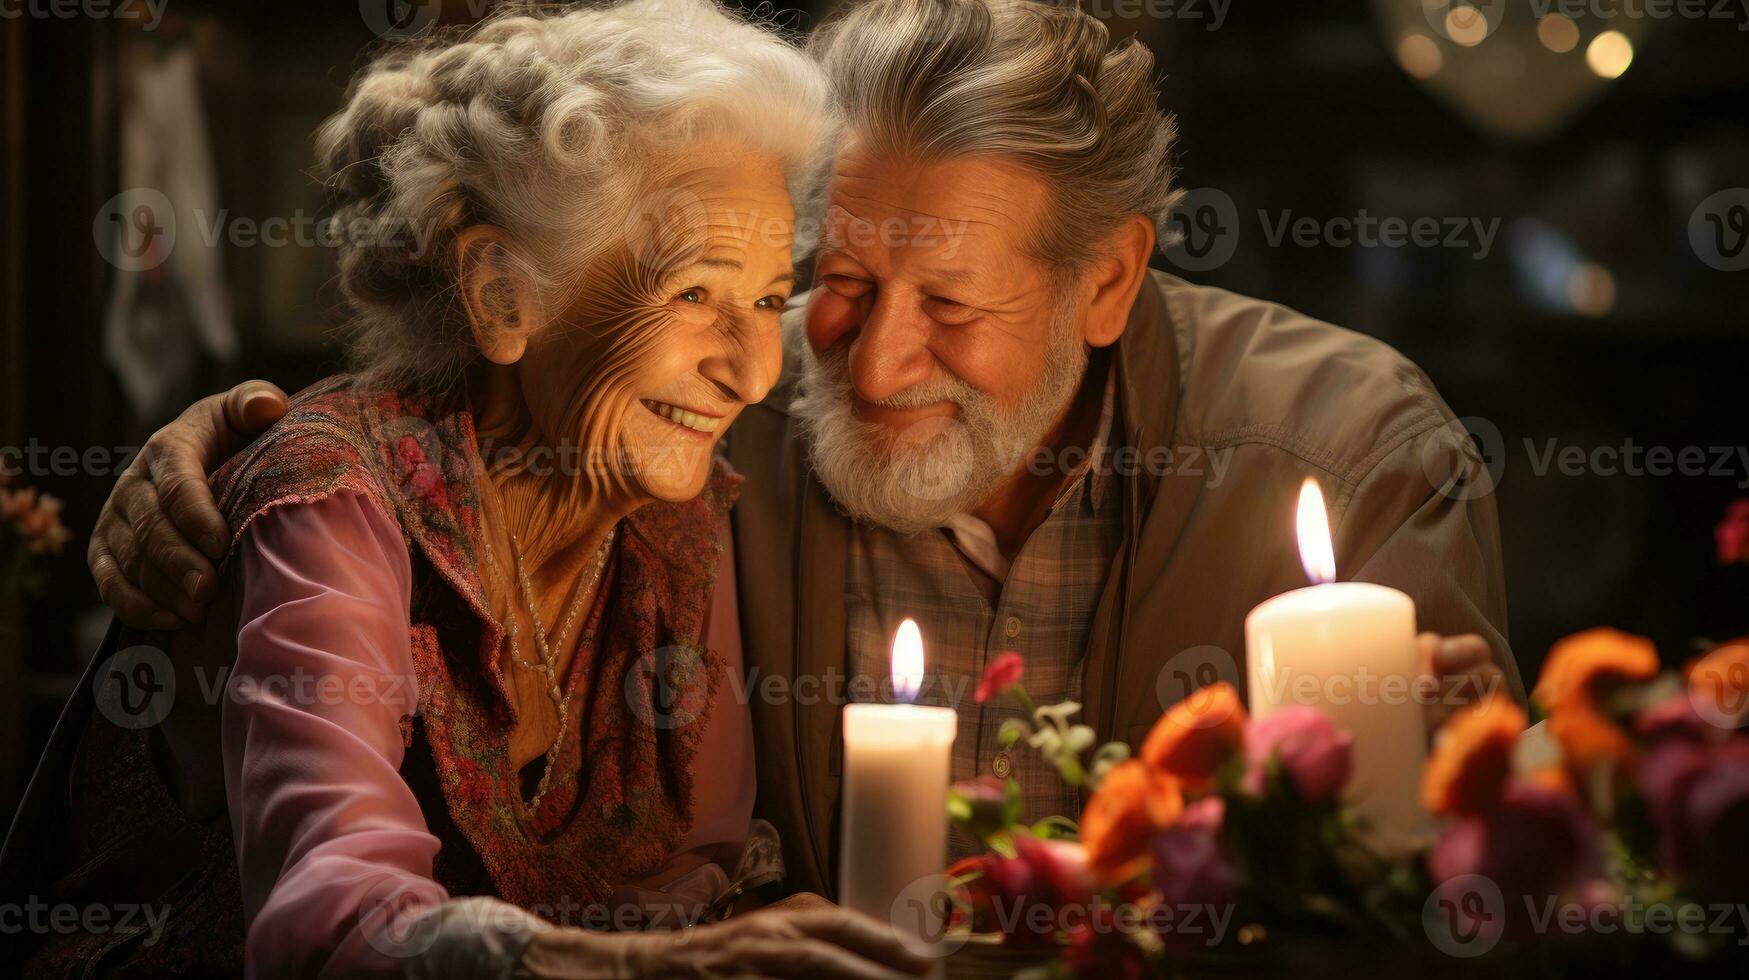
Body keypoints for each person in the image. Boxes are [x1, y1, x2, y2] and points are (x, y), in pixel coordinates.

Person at [86, 0, 1521, 903]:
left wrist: (1470, 796)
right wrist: (234, 438)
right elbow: (482, 390)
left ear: (1107, 280)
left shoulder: (1348, 447)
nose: (861, 358)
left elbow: (1443, 880)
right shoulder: (725, 409)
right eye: (832, 274)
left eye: (952, 304)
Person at [6, 2, 928, 977]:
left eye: (766, 299)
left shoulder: (675, 508)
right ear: (503, 294)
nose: (747, 369)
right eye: (694, 292)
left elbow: (702, 852)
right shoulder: (333, 504)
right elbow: (327, 918)